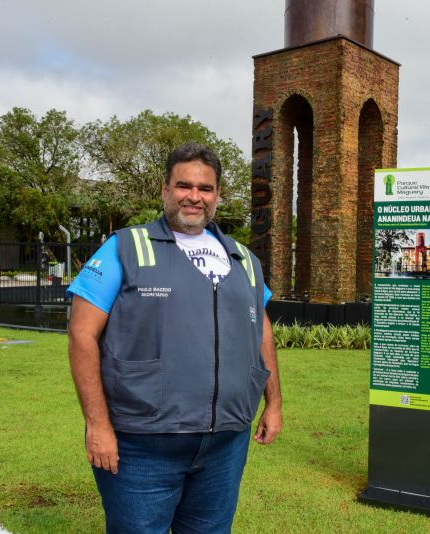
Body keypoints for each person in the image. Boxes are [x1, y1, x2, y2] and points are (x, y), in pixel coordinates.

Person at [67, 142, 282, 533]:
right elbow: (82, 335)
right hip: (142, 444)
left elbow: (261, 330)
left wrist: (274, 403)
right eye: (184, 186)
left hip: (225, 443)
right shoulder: (125, 248)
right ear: (165, 189)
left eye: (205, 188)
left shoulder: (243, 259)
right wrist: (97, 425)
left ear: (218, 195)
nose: (194, 197)